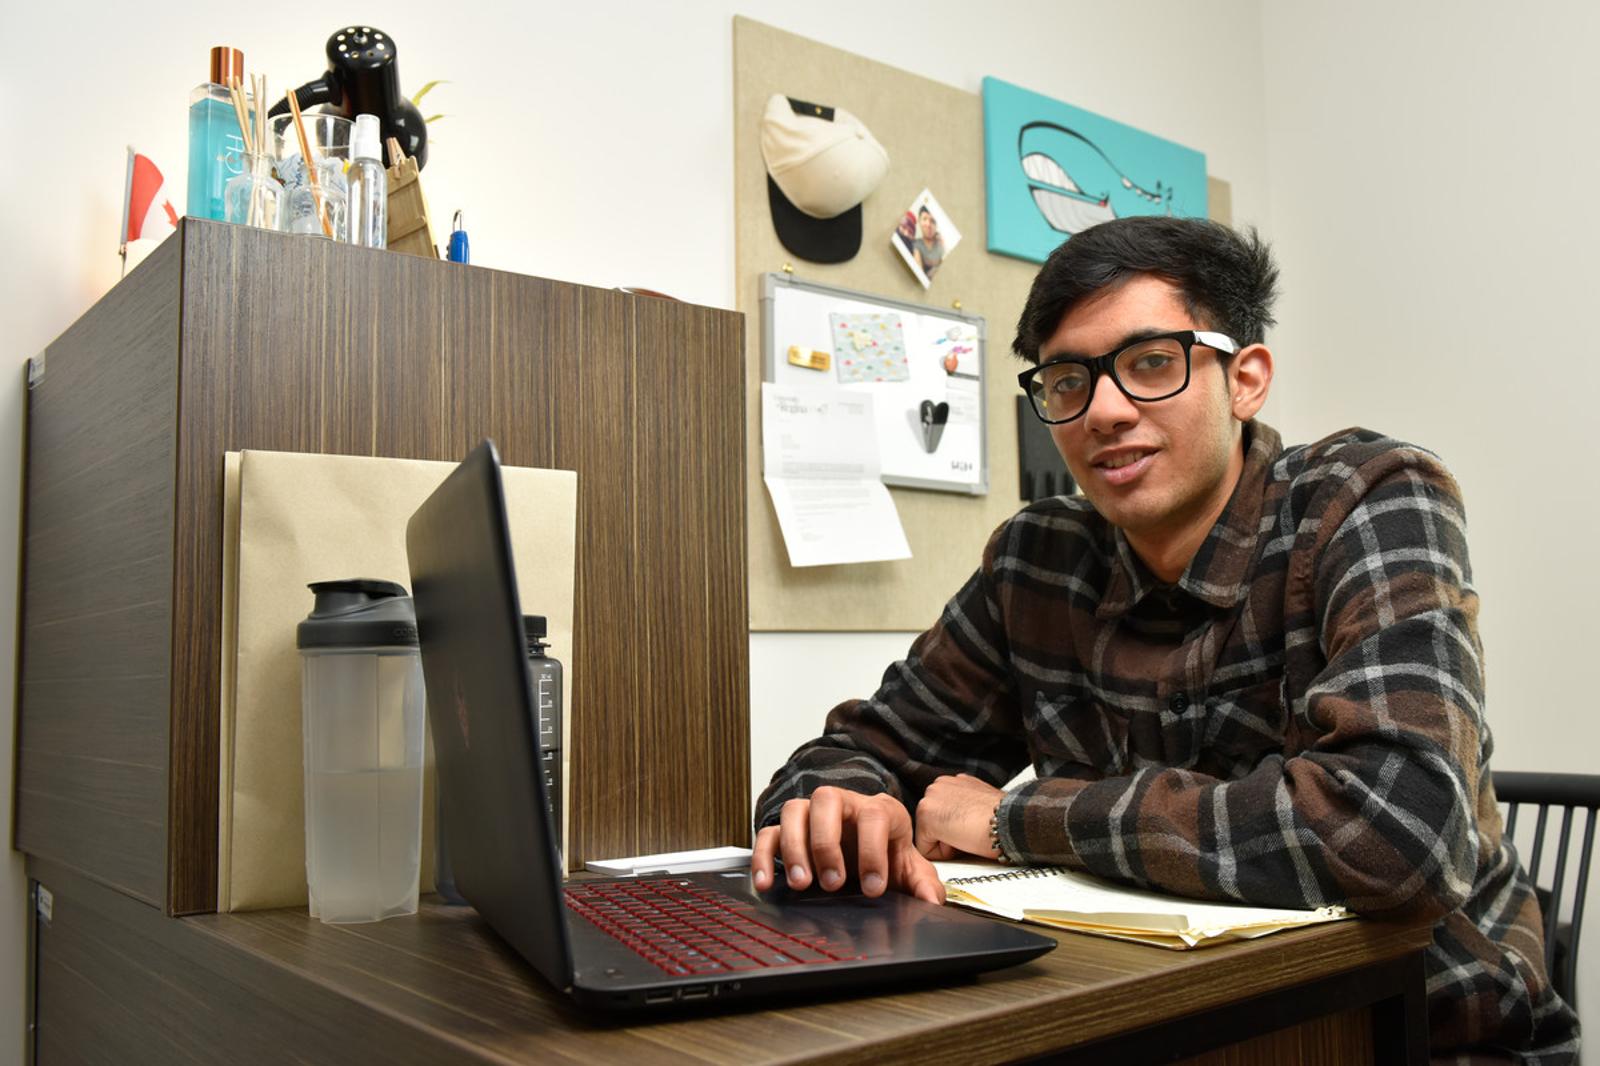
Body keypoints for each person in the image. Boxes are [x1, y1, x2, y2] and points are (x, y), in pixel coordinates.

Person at [751, 216, 1579, 1064]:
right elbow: (854, 752)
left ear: (1245, 379)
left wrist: (1013, 819)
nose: (1104, 411)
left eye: (1151, 363)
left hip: (1419, 1026)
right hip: (1143, 1017)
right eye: (1069, 380)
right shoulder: (1037, 558)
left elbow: (1395, 832)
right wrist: (839, 812)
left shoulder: (1365, 497)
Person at [913, 205, 945, 280]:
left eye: (932, 221)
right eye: (924, 219)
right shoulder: (916, 245)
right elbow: (920, 277)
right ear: (919, 221)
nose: (928, 225)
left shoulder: (941, 244)